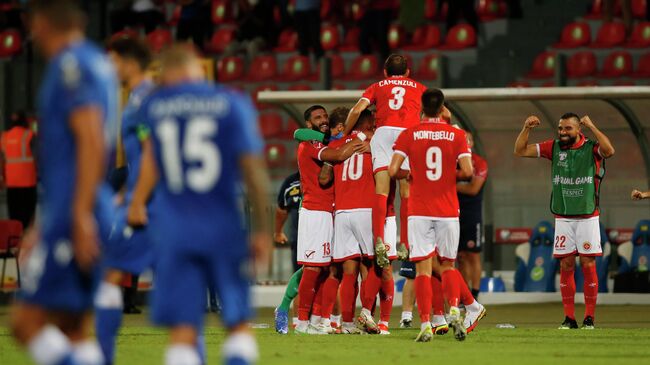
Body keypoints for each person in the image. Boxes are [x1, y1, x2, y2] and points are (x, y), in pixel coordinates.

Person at [127, 44, 271, 365]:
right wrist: (262, 230)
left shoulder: (155, 105)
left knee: (183, 329)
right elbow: (252, 169)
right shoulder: (231, 103)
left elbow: (150, 158)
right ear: (198, 70)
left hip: (174, 228)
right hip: (223, 226)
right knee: (237, 324)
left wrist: (137, 201)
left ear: (168, 72)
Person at [10, 1, 117, 365]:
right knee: (72, 328)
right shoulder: (95, 62)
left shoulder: (70, 64)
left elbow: (90, 138)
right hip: (76, 205)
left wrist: (79, 213)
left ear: (39, 21)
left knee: (25, 322)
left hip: (77, 208)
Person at [389, 88, 486, 343]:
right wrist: (445, 174)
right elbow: (467, 171)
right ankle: (455, 307)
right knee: (448, 264)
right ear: (442, 108)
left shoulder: (409, 134)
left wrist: (413, 174)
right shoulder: (456, 135)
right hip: (447, 209)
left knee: (422, 268)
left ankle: (425, 324)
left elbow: (392, 169)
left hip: (419, 210)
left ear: (421, 107)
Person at [514, 113, 615, 330]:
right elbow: (520, 150)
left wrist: (593, 125)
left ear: (579, 129)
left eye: (568, 128)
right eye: (560, 128)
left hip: (588, 216)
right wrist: (526, 128)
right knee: (566, 264)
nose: (562, 132)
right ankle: (569, 318)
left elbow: (609, 151)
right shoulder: (554, 147)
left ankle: (589, 318)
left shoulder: (591, 148)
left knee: (588, 265)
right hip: (563, 216)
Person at [94, 36, 155, 365]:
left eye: (112, 59)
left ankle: (103, 356)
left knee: (110, 274)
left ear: (128, 60)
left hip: (149, 205)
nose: (109, 66)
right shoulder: (139, 97)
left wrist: (137, 200)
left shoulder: (143, 99)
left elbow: (152, 154)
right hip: (151, 200)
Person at [344, 54, 426, 271]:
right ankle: (405, 243)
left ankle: (379, 238)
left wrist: (345, 132)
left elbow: (356, 110)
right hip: (408, 133)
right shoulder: (419, 87)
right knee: (406, 189)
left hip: (382, 133)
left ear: (385, 72)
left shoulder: (377, 86)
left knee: (381, 190)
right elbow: (440, 111)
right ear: (408, 72)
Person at [294, 105, 367, 335]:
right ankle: (302, 322)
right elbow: (336, 156)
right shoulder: (310, 144)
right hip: (315, 212)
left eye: (325, 116)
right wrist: (360, 142)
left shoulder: (323, 140)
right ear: (309, 123)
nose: (323, 120)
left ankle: (317, 320)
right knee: (313, 269)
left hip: (330, 212)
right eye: (317, 118)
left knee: (327, 270)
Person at [456, 131, 488, 300]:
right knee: (460, 256)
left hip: (472, 215)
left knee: (473, 253)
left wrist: (450, 185)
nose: (465, 143)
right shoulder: (451, 161)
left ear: (472, 143)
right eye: (462, 140)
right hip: (453, 213)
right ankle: (464, 293)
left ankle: (475, 293)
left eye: (468, 140)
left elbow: (473, 189)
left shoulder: (479, 163)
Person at [1, 110, 37, 230]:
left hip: (12, 183)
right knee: (28, 217)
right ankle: (26, 243)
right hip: (28, 183)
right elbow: (40, 156)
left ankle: (15, 241)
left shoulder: (4, 137)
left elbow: (2, 160)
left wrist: (2, 177)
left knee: (14, 217)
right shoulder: (29, 135)